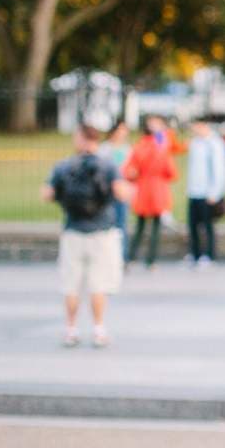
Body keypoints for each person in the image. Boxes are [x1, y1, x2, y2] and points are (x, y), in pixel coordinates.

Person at [42, 124, 132, 347]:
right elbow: (122, 193)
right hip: (101, 232)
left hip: (73, 231)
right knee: (98, 285)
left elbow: (47, 194)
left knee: (71, 285)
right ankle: (99, 328)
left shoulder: (64, 166)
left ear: (80, 139)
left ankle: (71, 329)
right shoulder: (108, 165)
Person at [124, 114, 177, 269]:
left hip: (148, 189)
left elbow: (130, 169)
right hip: (154, 189)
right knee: (150, 226)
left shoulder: (145, 145)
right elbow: (171, 171)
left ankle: (134, 258)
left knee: (146, 226)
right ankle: (145, 260)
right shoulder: (157, 146)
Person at [185, 118, 225, 269]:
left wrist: (215, 192)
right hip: (194, 190)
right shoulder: (196, 143)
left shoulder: (214, 143)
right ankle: (195, 253)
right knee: (193, 225)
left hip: (207, 192)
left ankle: (209, 255)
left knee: (207, 226)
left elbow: (219, 169)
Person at [100, 121, 133, 258]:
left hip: (123, 193)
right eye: (120, 130)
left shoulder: (128, 149)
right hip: (108, 193)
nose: (122, 134)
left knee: (121, 225)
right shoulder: (104, 149)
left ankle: (121, 257)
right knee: (106, 225)